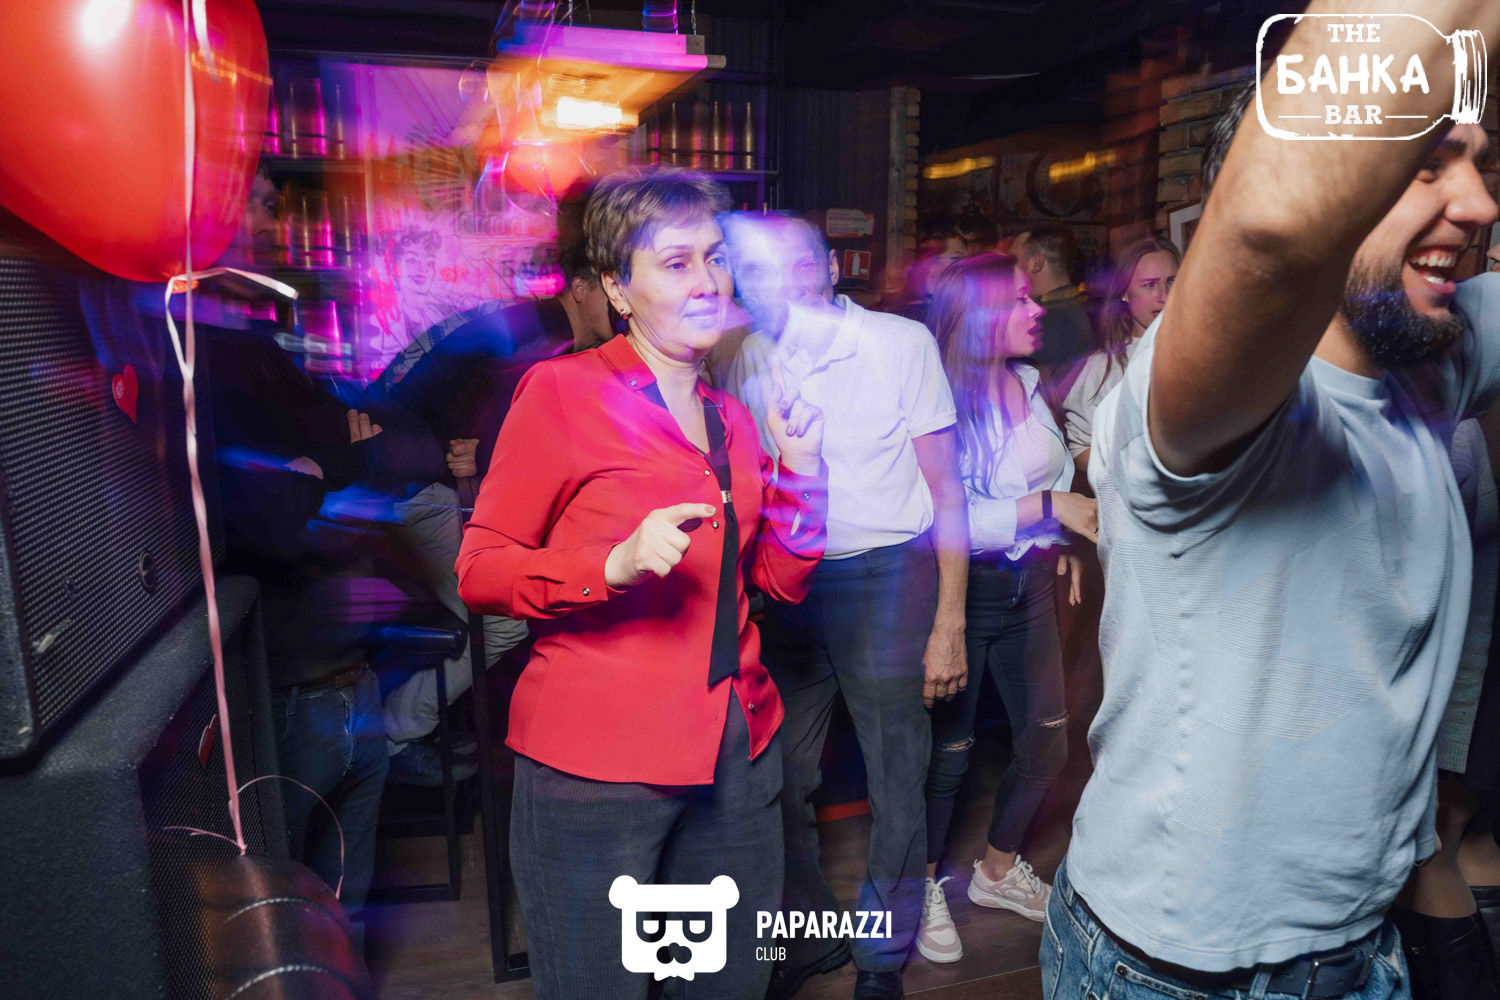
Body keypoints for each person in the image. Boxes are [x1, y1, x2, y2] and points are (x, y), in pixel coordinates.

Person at [1049, 5, 1500, 1000]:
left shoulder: (1429, 356)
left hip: (1367, 946)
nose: (1478, 203)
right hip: (1181, 975)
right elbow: (1272, 227)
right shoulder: (1196, 403)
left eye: (1481, 164)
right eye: (1422, 163)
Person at [454, 168, 829, 1000]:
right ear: (618, 289)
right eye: (676, 262)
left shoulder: (733, 419)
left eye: (716, 257)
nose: (708, 281)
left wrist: (804, 475)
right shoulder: (563, 392)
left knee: (732, 986)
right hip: (598, 767)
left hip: (737, 753)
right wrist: (609, 566)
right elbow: (479, 568)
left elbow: (777, 581)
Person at [720, 211, 969, 1000]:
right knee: (778, 773)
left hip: (889, 578)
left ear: (832, 268)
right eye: (766, 268)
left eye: (801, 263)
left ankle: (881, 962)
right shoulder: (744, 355)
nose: (785, 282)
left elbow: (948, 490)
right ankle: (815, 935)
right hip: (788, 587)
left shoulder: (900, 343)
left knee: (896, 774)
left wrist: (950, 622)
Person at [370, 236, 615, 783]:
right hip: (410, 486)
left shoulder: (530, 323)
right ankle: (394, 733)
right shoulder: (544, 340)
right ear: (580, 288)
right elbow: (503, 451)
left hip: (405, 473)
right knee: (505, 620)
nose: (622, 303)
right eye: (610, 289)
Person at [916, 254, 1097, 965]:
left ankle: (995, 870)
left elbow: (1056, 476)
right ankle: (922, 883)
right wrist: (1049, 505)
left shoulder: (1027, 381)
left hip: (1033, 584)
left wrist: (1062, 538)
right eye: (1020, 300)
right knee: (950, 754)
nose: (1037, 309)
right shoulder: (938, 398)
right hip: (964, 591)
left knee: (1047, 739)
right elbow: (946, 521)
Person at [1058, 236, 1180, 474]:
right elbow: (1081, 445)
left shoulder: (1206, 353)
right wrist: (1130, 481)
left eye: (1172, 281)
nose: (1164, 296)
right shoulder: (1103, 367)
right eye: (1150, 285)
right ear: (1125, 293)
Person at [1011, 223, 1094, 373]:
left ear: (1036, 263)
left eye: (1013, 261)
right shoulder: (1073, 308)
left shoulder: (1044, 322)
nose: (1008, 270)